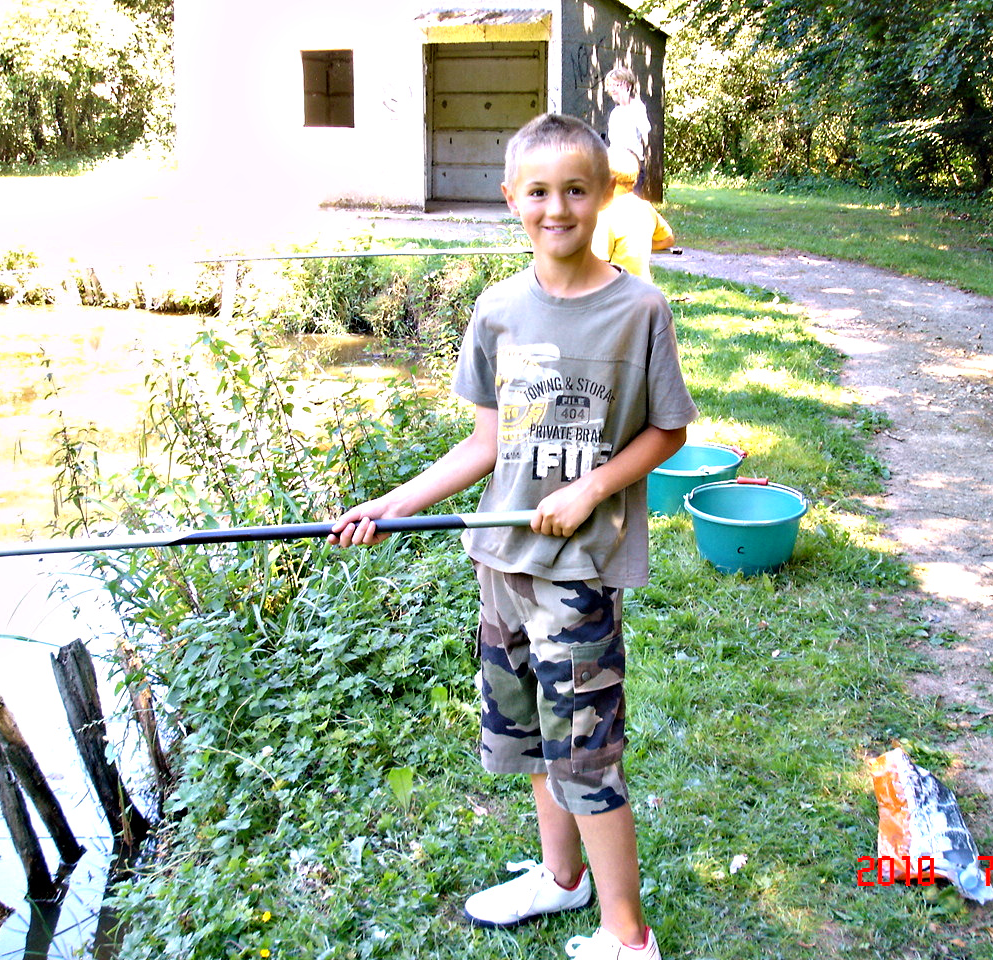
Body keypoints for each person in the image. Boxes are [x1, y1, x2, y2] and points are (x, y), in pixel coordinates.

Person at [330, 113, 697, 960]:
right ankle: (560, 879)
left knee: (586, 757)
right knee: (531, 738)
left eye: (576, 190)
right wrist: (391, 505)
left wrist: (593, 488)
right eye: (539, 192)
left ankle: (627, 934)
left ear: (606, 196)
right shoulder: (497, 309)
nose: (557, 208)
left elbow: (670, 431)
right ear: (511, 200)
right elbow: (483, 444)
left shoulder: (639, 308)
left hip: (578, 571)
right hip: (502, 563)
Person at [591, 148, 675, 280]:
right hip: (643, 290)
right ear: (635, 181)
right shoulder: (646, 208)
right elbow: (667, 239)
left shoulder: (605, 214)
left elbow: (597, 263)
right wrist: (638, 245)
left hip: (617, 293)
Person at [604, 67, 651, 196]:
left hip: (632, 165)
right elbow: (614, 142)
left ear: (627, 86)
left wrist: (627, 102)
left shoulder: (637, 106)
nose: (612, 89)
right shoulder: (615, 112)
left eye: (616, 85)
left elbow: (646, 129)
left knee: (631, 203)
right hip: (615, 165)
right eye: (610, 85)